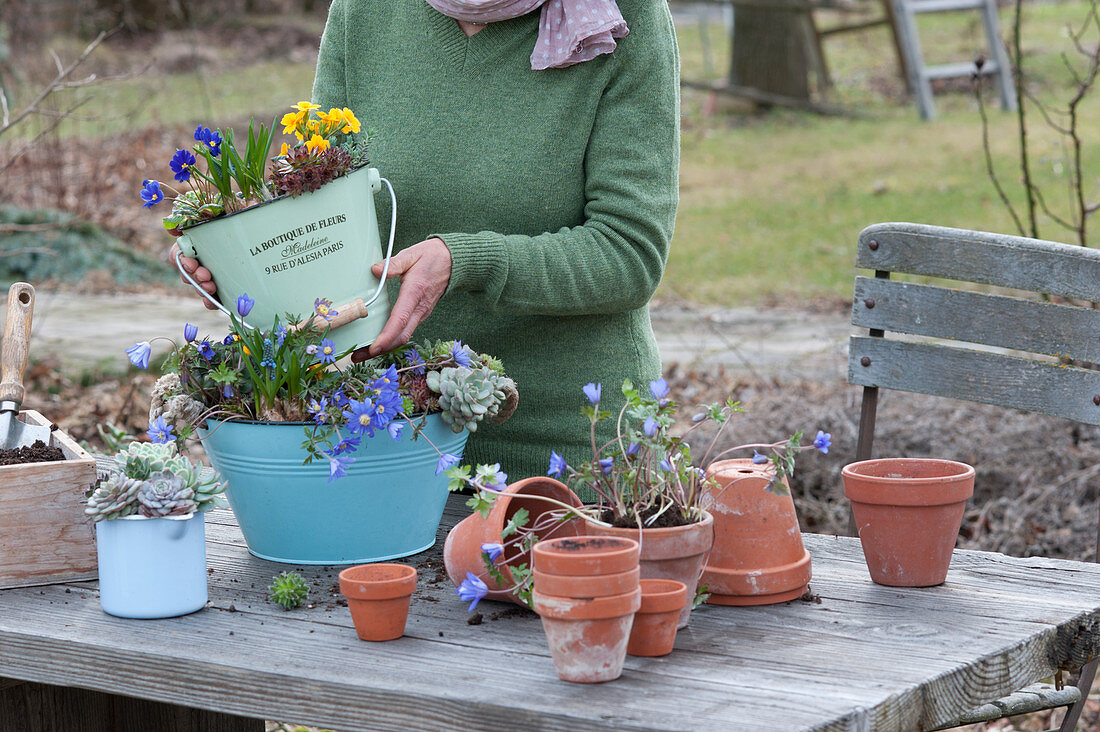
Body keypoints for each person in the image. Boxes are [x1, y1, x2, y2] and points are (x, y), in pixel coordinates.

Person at [172, 0, 680, 480]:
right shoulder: (365, 11)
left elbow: (629, 252)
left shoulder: (621, 15)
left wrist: (466, 261)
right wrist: (246, 261)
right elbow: (323, 205)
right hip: (389, 434)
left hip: (573, 452)